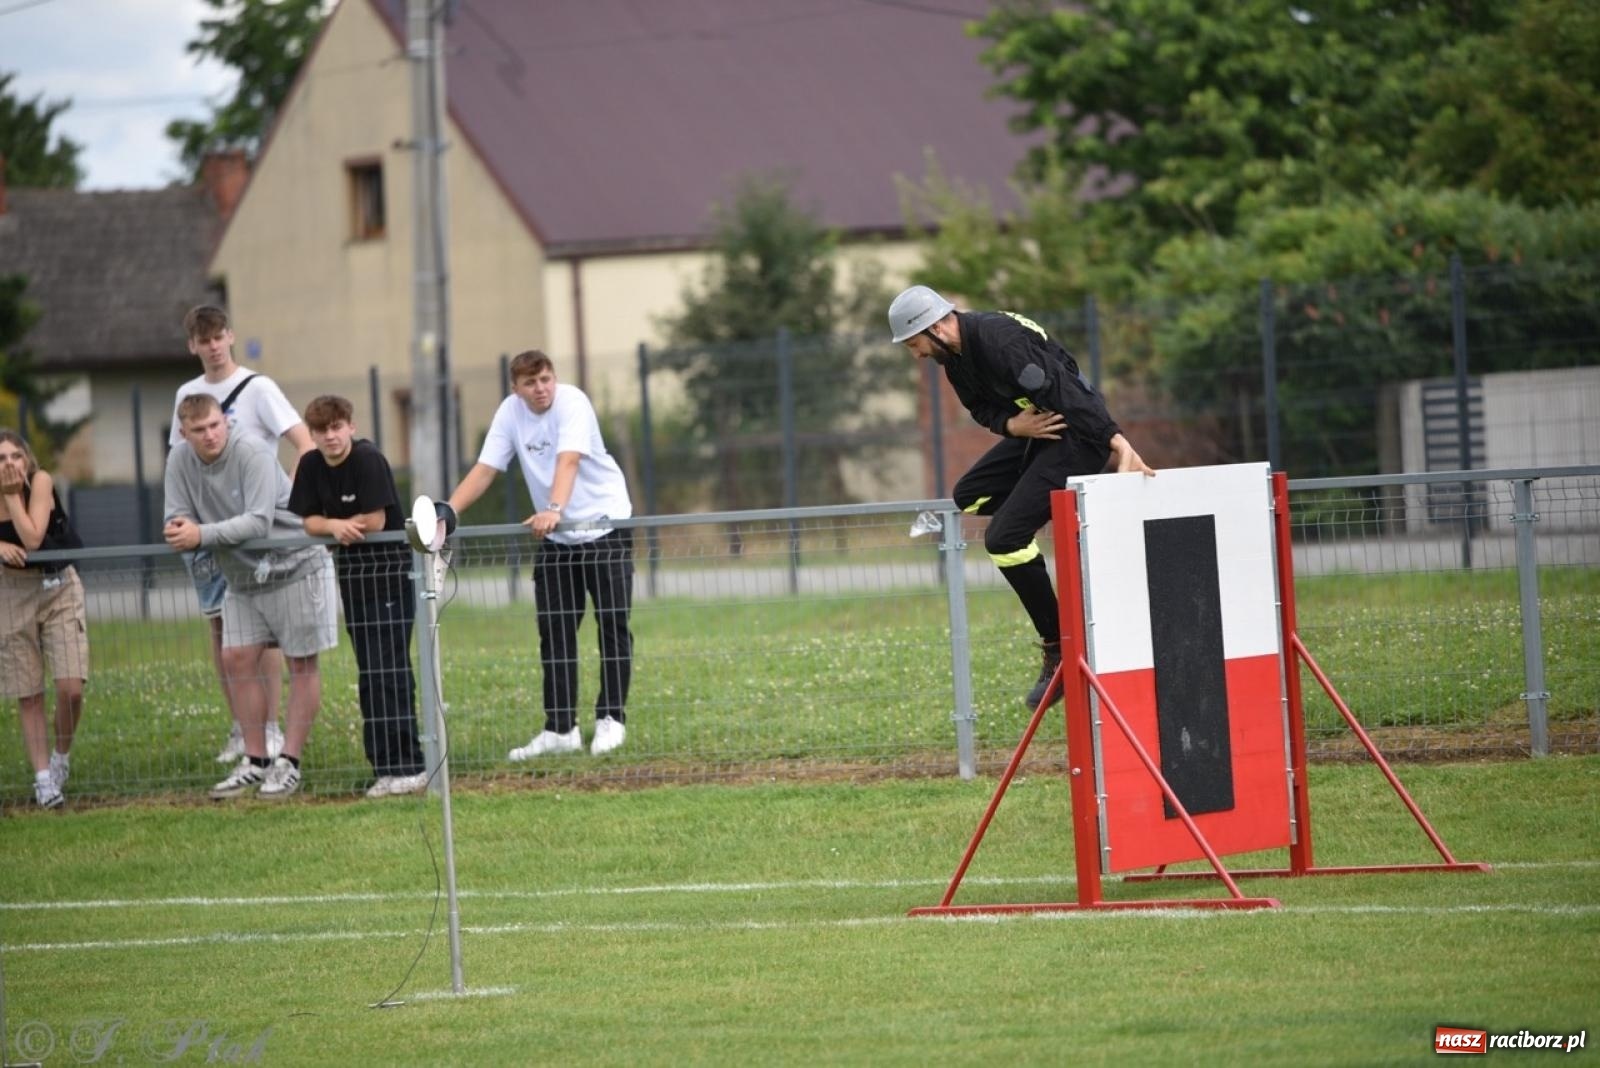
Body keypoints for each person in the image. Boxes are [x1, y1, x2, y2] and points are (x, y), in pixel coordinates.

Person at [888, 284, 1156, 709]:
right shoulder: (955, 361)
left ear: (936, 327)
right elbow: (981, 410)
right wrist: (1015, 427)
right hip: (1041, 430)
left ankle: (1059, 646)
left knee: (1004, 538)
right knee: (970, 496)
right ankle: (1062, 503)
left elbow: (1069, 389)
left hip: (1079, 434)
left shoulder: (999, 340)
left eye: (915, 343)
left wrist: (1116, 440)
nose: (916, 354)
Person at [447, 350, 635, 759]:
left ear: (555, 378)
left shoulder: (573, 402)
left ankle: (611, 719)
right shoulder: (509, 413)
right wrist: (447, 513)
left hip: (605, 526)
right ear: (516, 389)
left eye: (546, 379)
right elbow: (484, 469)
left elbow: (568, 461)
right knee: (554, 633)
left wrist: (553, 509)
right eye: (530, 383)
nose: (541, 389)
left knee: (612, 626)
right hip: (557, 540)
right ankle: (560, 728)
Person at [164, 394, 337, 800]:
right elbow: (176, 516)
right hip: (241, 577)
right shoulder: (178, 462)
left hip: (295, 564)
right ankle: (255, 761)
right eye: (198, 430)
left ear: (225, 421)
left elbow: (258, 522)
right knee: (235, 657)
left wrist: (200, 534)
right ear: (183, 434)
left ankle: (288, 763)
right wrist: (179, 530)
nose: (209, 436)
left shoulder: (252, 451)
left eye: (214, 425)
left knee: (301, 663)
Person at [170, 304, 314, 766]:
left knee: (263, 632)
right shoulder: (186, 395)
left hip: (258, 529)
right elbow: (180, 463)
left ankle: (270, 730)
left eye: (218, 337)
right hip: (210, 534)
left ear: (230, 337)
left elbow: (302, 441)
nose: (212, 346)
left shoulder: (258, 388)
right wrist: (189, 528)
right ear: (192, 345)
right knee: (223, 629)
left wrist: (294, 497)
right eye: (203, 339)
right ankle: (243, 728)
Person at [288, 395, 428, 799]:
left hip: (389, 581)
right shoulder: (312, 465)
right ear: (312, 435)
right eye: (321, 430)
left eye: (337, 427)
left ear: (350, 426)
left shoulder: (368, 460)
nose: (330, 437)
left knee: (390, 672)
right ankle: (383, 766)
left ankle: (410, 765)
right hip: (353, 583)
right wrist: (333, 525)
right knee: (370, 676)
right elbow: (309, 521)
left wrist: (348, 526)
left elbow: (377, 519)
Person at [0, 430, 87, 809]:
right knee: (29, 691)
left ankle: (60, 757)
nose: (9, 465)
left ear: (28, 459)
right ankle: (43, 781)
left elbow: (33, 539)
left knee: (71, 688)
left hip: (57, 588)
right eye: (0, 459)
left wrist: (9, 495)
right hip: (11, 592)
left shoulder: (41, 481)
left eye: (15, 456)